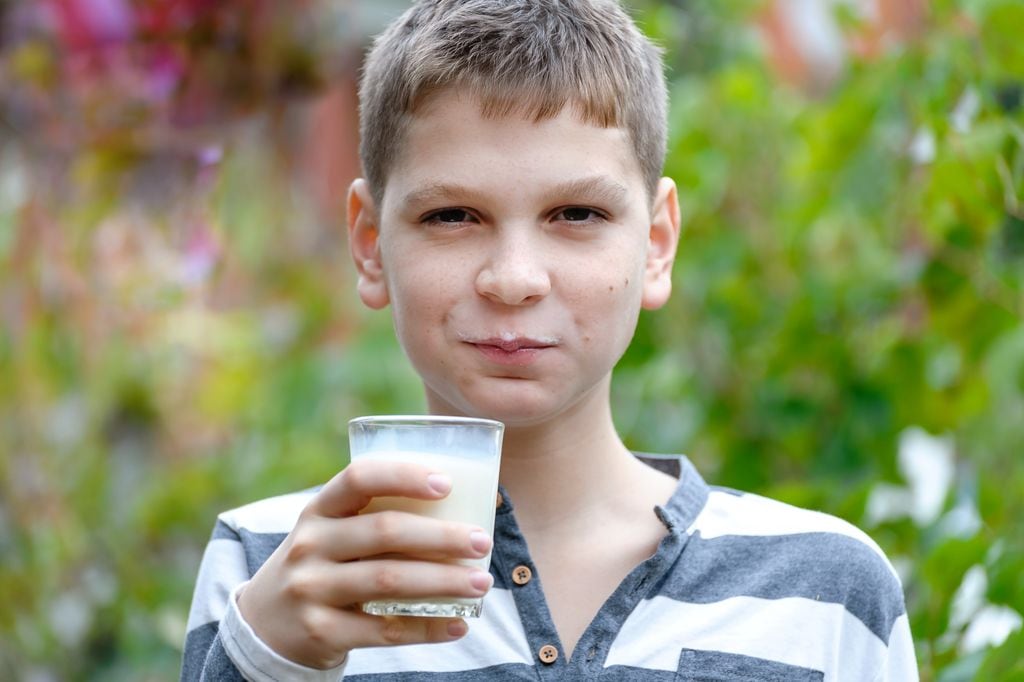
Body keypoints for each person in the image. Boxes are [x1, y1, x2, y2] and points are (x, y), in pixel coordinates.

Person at [181, 0, 919, 679]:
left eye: (576, 214)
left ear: (657, 243)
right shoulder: (271, 569)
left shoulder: (825, 588)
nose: (513, 278)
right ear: (371, 245)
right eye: (451, 217)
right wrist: (268, 656)